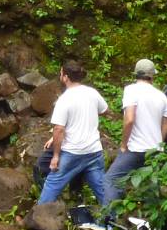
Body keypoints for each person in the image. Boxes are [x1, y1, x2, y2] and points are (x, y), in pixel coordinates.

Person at [38, 61, 115, 206]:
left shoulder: (65, 99)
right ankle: (113, 221)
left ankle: (38, 219)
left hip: (73, 152)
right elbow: (105, 111)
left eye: (61, 73)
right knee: (101, 189)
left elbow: (59, 129)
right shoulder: (92, 93)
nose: (60, 76)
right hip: (94, 151)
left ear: (65, 77)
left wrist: (55, 156)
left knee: (52, 183)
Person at [105, 58, 167, 197]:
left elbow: (129, 119)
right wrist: (157, 143)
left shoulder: (131, 90)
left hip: (135, 149)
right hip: (155, 150)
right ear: (152, 76)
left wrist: (123, 144)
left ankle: (109, 218)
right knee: (150, 187)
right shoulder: (161, 96)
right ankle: (150, 218)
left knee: (111, 180)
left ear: (136, 74)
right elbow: (166, 126)